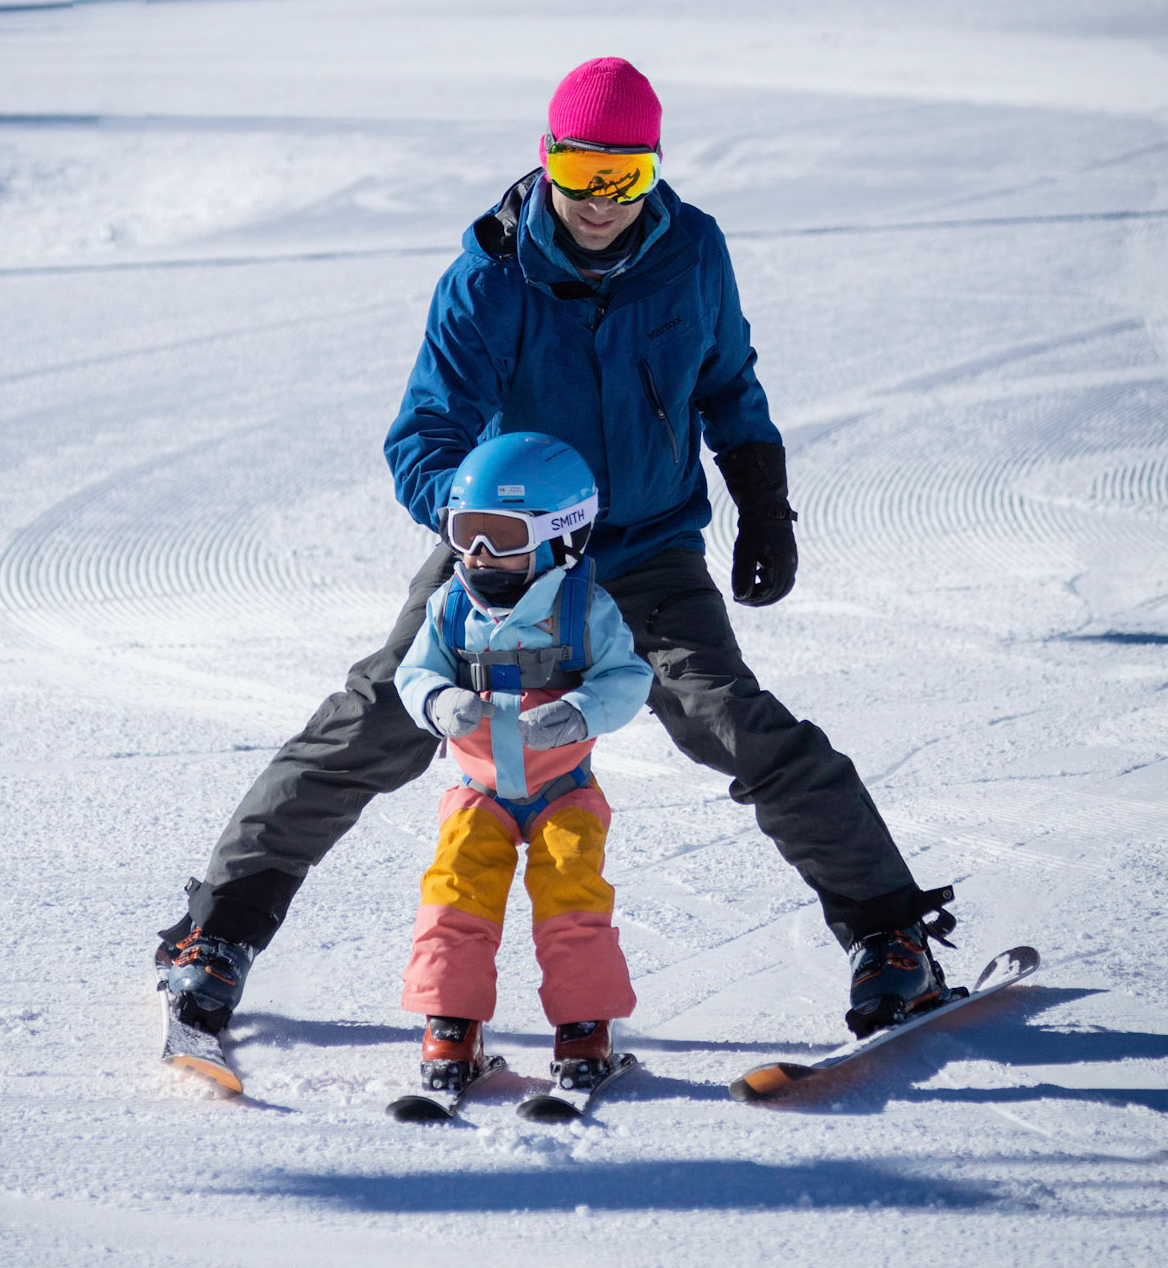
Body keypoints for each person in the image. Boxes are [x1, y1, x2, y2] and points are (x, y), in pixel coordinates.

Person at [158, 56, 958, 1043]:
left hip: (649, 550)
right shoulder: (489, 278)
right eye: (582, 173)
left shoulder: (694, 250)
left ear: (654, 170)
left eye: (626, 176)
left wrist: (764, 500)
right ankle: (216, 930)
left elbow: (729, 382)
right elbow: (424, 435)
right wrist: (478, 533)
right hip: (509, 555)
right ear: (547, 162)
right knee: (376, 717)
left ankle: (891, 936)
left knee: (735, 721)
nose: (601, 201)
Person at [395, 430, 653, 1092]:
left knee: (571, 892)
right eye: (465, 531)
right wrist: (437, 700)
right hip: (477, 791)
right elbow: (412, 673)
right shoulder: (451, 607)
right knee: (455, 895)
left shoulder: (582, 609)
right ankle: (449, 1024)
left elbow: (627, 678)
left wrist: (581, 710)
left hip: (562, 790)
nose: (478, 553)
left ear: (559, 535)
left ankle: (583, 1026)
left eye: (501, 536)